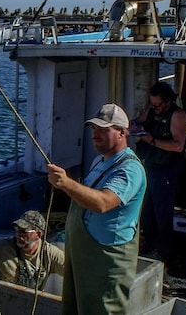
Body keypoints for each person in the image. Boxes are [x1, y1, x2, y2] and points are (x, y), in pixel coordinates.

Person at [47, 103, 146, 314]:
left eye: (103, 129)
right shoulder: (99, 161)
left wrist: (65, 183)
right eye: (94, 129)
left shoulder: (130, 169)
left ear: (122, 132)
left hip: (105, 264)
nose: (96, 134)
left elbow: (103, 203)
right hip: (83, 258)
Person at [130, 81, 186, 262]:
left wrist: (151, 140)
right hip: (148, 167)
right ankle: (148, 242)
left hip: (166, 170)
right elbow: (137, 122)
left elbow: (178, 146)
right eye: (152, 104)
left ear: (168, 102)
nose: (155, 108)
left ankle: (164, 251)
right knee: (146, 208)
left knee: (162, 211)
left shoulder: (177, 116)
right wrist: (131, 127)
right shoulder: (151, 111)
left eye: (158, 105)